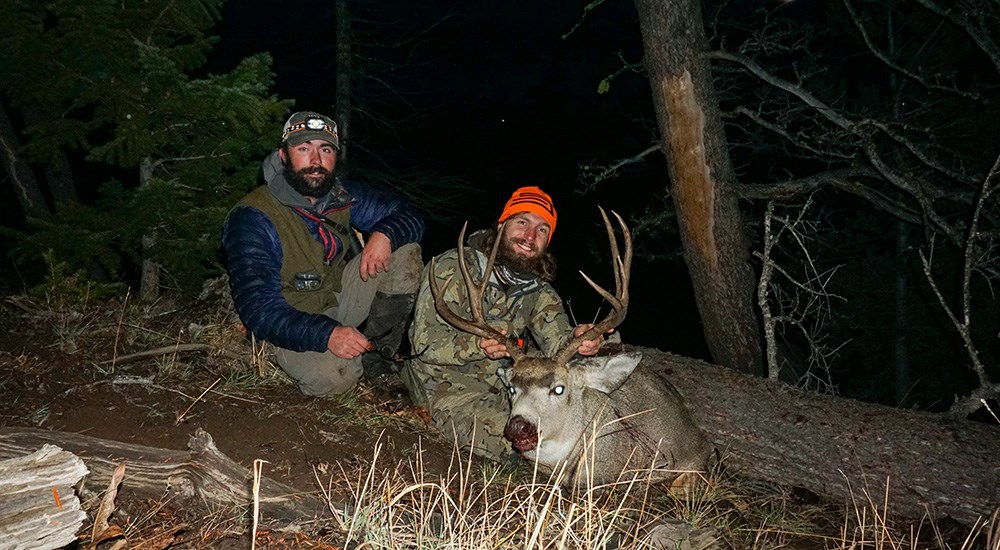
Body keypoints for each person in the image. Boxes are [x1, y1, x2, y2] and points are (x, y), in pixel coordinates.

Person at [223, 111, 425, 397]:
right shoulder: (253, 217)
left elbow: (410, 214)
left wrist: (385, 234)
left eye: (325, 150)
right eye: (304, 149)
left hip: (335, 296)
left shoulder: (341, 194)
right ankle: (282, 358)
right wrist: (326, 334)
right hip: (286, 319)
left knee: (405, 251)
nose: (316, 161)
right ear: (283, 155)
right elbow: (259, 309)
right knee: (337, 376)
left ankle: (378, 356)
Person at [403, 186, 603, 460]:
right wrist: (478, 345)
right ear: (501, 225)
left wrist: (581, 341)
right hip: (442, 389)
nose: (530, 236)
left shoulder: (539, 292)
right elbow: (423, 346)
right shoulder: (452, 267)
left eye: (542, 230)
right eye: (522, 222)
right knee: (514, 445)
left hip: (508, 388)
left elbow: (557, 345)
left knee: (570, 430)